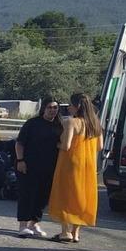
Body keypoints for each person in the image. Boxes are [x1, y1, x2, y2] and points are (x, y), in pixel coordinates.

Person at [46, 92, 100, 242]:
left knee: (65, 195)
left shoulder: (71, 122)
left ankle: (65, 232)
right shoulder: (95, 123)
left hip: (70, 163)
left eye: (70, 104)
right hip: (88, 164)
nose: (68, 107)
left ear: (77, 107)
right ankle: (76, 233)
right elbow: (100, 146)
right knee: (81, 197)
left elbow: (66, 145)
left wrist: (56, 144)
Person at [14, 97, 62, 238]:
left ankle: (34, 223)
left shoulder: (59, 126)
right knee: (26, 195)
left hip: (49, 167)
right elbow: (19, 143)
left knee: (42, 196)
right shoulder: (33, 123)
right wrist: (20, 160)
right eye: (49, 107)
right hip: (29, 165)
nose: (52, 110)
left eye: (55, 108)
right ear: (43, 109)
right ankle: (23, 225)